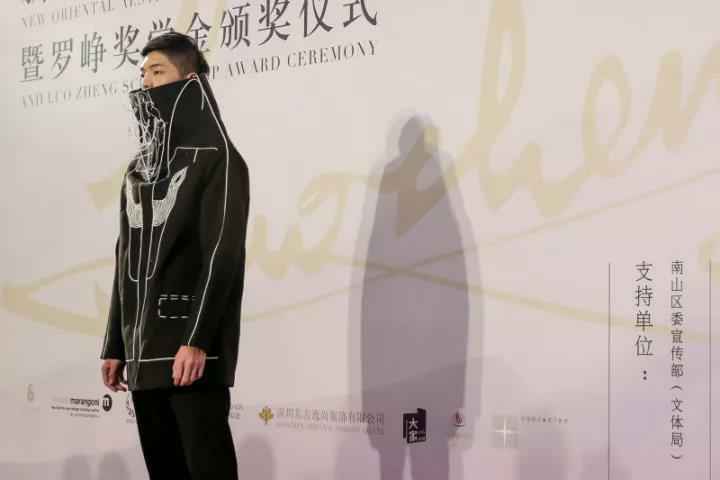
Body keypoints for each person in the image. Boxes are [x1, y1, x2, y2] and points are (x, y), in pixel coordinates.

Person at [99, 32, 249, 480]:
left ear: (190, 80)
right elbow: (124, 259)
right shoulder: (138, 169)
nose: (146, 82)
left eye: (158, 71)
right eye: (143, 73)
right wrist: (115, 344)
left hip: (190, 351)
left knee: (207, 468)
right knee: (164, 470)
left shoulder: (219, 159)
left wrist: (198, 339)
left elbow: (222, 255)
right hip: (143, 351)